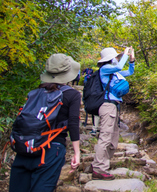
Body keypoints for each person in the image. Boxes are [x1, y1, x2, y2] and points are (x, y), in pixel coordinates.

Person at [9, 54, 81, 192]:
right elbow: (73, 123)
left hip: (25, 147)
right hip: (51, 150)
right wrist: (76, 153)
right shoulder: (72, 95)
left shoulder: (35, 92)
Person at [92, 46, 135, 180]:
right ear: (110, 59)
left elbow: (130, 71)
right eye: (116, 57)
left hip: (114, 105)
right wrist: (126, 55)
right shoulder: (105, 69)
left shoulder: (115, 73)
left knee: (113, 138)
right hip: (106, 105)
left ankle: (102, 163)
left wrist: (131, 59)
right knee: (105, 136)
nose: (117, 59)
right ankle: (99, 168)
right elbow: (119, 67)